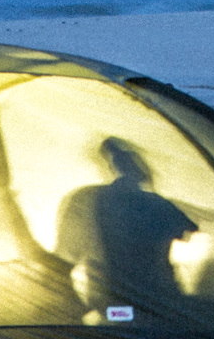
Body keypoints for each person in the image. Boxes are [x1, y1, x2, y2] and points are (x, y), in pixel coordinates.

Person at [54, 137, 197, 321]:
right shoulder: (159, 205)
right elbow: (191, 228)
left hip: (114, 310)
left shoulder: (86, 199)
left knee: (119, 317)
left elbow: (65, 257)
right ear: (141, 172)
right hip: (158, 307)